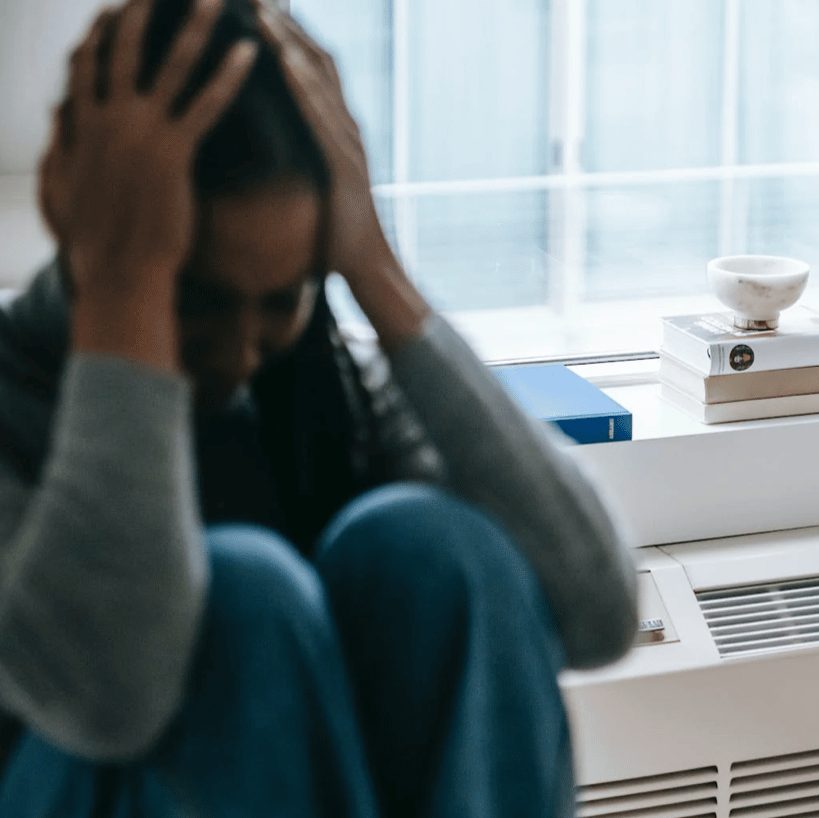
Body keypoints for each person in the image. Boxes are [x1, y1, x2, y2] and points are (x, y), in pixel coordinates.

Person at [0, 0, 638, 814]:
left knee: (435, 547)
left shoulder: (322, 385)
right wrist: (126, 290)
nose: (238, 353)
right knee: (243, 597)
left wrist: (376, 272)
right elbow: (105, 697)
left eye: (279, 300)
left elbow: (600, 616)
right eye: (192, 300)